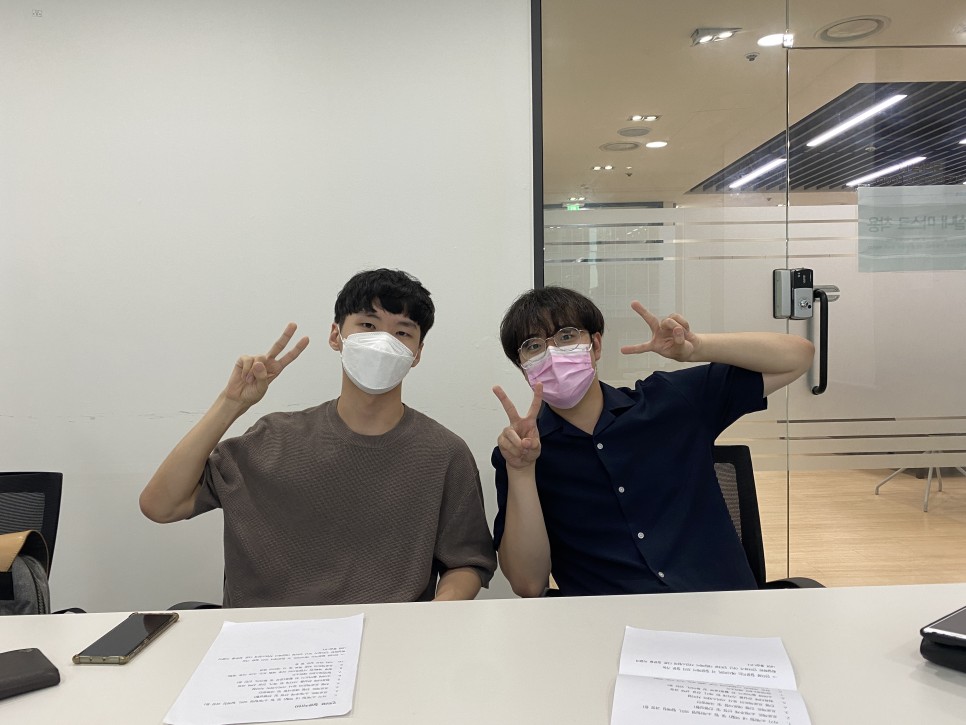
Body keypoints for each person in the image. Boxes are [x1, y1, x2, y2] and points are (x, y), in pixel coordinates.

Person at [140, 269, 496, 607]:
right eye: (368, 325)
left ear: (416, 354)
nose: (383, 342)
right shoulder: (272, 439)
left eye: (402, 333)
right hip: (267, 639)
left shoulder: (443, 453)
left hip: (390, 637)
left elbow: (466, 561)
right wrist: (231, 403)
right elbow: (161, 506)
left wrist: (434, 613)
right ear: (335, 336)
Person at [491, 286, 814, 598]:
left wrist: (698, 348)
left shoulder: (671, 401)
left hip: (721, 605)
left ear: (596, 345)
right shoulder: (523, 454)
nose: (552, 354)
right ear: (524, 368)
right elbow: (528, 584)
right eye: (533, 346)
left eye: (566, 336)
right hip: (609, 621)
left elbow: (798, 356)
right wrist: (521, 471)